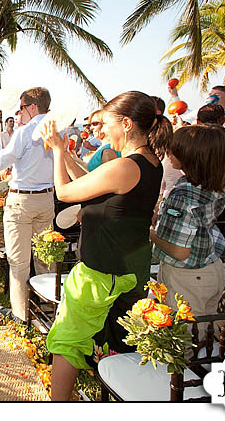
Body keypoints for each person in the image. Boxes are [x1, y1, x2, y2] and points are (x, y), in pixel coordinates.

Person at [41, 90, 172, 401]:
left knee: (66, 342)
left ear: (126, 123)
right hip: (129, 269)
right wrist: (69, 156)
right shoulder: (150, 163)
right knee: (111, 338)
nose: (101, 131)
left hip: (102, 273)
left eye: (106, 124)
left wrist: (59, 151)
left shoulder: (126, 166)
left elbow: (67, 193)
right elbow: (94, 184)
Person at [0, 87, 56, 324]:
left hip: (22, 201)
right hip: (47, 199)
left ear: (32, 107)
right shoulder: (57, 129)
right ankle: (49, 308)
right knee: (45, 256)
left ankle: (20, 314)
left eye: (22, 108)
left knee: (18, 261)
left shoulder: (25, 132)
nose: (20, 113)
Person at [151, 124, 225, 319]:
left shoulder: (184, 194)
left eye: (175, 148)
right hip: (210, 268)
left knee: (184, 340)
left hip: (187, 277)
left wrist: (151, 233)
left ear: (191, 155)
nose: (168, 152)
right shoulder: (215, 182)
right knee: (203, 333)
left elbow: (180, 251)